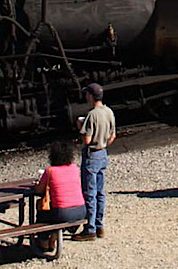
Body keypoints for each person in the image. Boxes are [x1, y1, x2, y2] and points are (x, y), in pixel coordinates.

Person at [76, 82, 115, 241]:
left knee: (89, 193)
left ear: (91, 96)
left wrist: (80, 125)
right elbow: (112, 136)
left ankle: (90, 229)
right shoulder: (108, 112)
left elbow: (87, 138)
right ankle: (99, 226)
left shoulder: (92, 115)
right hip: (103, 153)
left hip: (92, 154)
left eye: (87, 94)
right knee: (100, 192)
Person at [31, 140, 84, 252]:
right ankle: (53, 239)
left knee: (42, 208)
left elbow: (39, 190)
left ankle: (43, 240)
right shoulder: (75, 168)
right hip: (81, 211)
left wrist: (38, 184)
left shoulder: (50, 171)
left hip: (63, 213)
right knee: (55, 212)